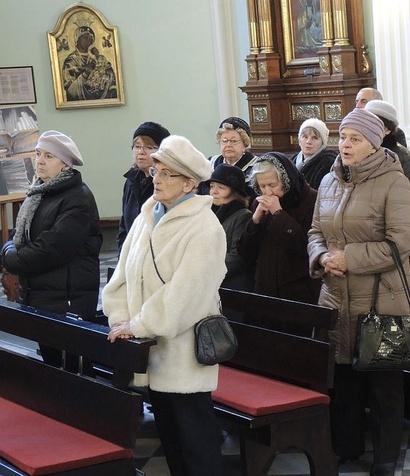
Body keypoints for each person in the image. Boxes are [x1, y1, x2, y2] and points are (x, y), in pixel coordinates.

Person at [103, 135, 225, 476]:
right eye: (157, 169)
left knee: (196, 444)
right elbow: (122, 276)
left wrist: (138, 325)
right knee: (170, 440)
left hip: (183, 353)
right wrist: (119, 317)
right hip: (148, 349)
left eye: (168, 173)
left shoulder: (205, 228)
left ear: (189, 182)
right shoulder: (146, 218)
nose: (156, 177)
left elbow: (187, 293)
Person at [308, 108, 410, 476]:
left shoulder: (393, 181)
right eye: (343, 137)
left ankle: (386, 457)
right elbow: (314, 232)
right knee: (345, 380)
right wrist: (323, 257)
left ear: (374, 144)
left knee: (385, 385)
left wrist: (349, 257)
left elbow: (400, 241)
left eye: (355, 138)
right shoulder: (329, 180)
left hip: (383, 298)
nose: (346, 144)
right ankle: (346, 447)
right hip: (336, 296)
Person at [1, 130, 102, 372]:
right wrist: (9, 251)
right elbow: (18, 238)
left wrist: (10, 258)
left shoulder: (77, 198)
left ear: (65, 164)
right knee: (52, 372)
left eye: (49, 156)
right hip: (43, 297)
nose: (40, 161)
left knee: (72, 375)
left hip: (67, 301)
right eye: (38, 154)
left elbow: (51, 249)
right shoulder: (39, 194)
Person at [238, 152, 319, 302]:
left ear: (286, 180)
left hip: (299, 292)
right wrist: (254, 221)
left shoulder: (311, 200)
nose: (267, 192)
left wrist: (278, 214)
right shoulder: (259, 203)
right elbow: (245, 253)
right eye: (262, 186)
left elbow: (307, 247)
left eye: (272, 185)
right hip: (265, 290)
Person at [118, 121, 170, 252]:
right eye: (137, 146)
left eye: (148, 147)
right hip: (132, 254)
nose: (141, 152)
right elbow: (124, 225)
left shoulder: (167, 181)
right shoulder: (131, 180)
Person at [208, 163, 253, 291]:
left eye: (221, 187)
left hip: (232, 285)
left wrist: (206, 268)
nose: (214, 192)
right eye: (212, 186)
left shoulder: (243, 216)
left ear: (234, 192)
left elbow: (237, 257)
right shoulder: (209, 212)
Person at [198, 116, 256, 197]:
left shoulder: (255, 167)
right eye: (224, 141)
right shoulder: (210, 163)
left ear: (245, 144)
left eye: (234, 141)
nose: (228, 145)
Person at [365, 99, 410, 188]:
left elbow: (408, 186)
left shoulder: (400, 154)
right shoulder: (356, 148)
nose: (370, 127)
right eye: (366, 122)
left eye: (377, 123)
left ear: (388, 129)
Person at [61, 26, 117, 101]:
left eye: (91, 39)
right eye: (85, 38)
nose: (89, 41)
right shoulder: (72, 60)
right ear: (77, 39)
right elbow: (69, 88)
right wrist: (85, 73)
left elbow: (111, 76)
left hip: (102, 97)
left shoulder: (99, 57)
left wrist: (99, 61)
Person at [291, 117, 336, 190]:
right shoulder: (293, 160)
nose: (308, 142)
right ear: (299, 140)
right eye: (305, 137)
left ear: (323, 142)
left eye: (315, 138)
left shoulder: (327, 163)